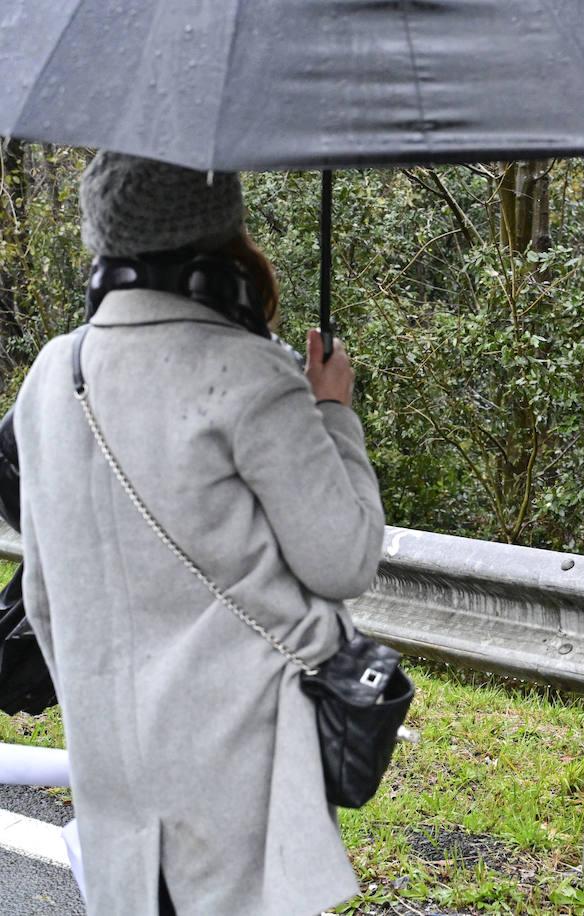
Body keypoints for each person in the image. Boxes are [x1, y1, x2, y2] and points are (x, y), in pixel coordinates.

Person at [13, 152, 385, 915]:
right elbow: (343, 558)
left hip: (114, 770)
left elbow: (43, 598)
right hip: (236, 773)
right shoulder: (250, 374)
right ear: (223, 236)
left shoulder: (52, 376)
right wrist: (334, 413)